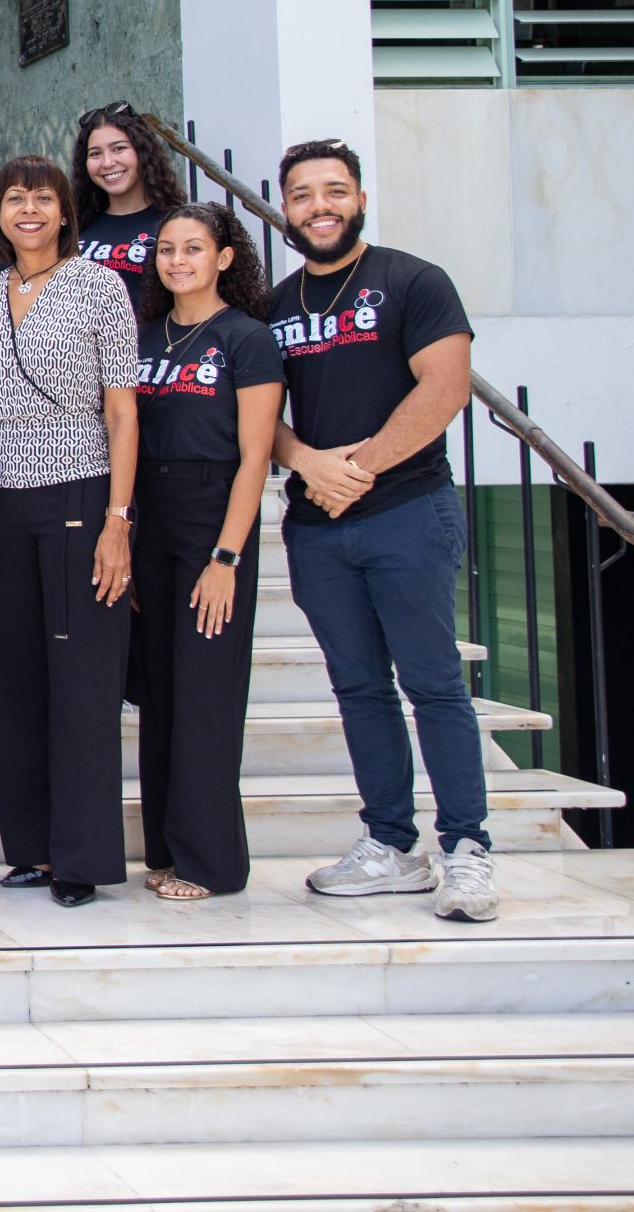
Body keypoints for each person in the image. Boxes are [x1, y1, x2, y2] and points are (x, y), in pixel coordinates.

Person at [267, 139, 493, 922]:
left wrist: (353, 469)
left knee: (433, 682)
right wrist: (304, 460)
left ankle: (468, 849)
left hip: (406, 512)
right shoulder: (276, 304)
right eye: (302, 194)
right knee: (359, 688)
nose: (319, 206)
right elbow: (259, 416)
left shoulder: (413, 281)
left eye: (334, 190)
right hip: (319, 530)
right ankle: (391, 844)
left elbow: (446, 385)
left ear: (359, 198)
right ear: (286, 208)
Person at [0, 155, 138, 907]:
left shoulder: (101, 284)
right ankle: (29, 846)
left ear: (66, 210)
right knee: (10, 679)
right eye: (15, 198)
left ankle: (82, 856)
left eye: (43, 198)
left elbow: (123, 409)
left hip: (80, 490)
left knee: (82, 681)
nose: (28, 209)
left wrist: (117, 520)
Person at [131, 203, 283, 901]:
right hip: (151, 522)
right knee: (160, 693)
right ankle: (165, 847)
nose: (178, 260)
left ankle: (212, 862)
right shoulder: (145, 334)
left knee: (204, 694)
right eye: (167, 248)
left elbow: (256, 456)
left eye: (194, 247)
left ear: (224, 257)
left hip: (210, 524)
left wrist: (226, 558)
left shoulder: (245, 338)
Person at [73, 100, 185, 312]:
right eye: (95, 153)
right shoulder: (77, 226)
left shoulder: (175, 224)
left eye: (119, 148)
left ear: (143, 152)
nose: (107, 162)